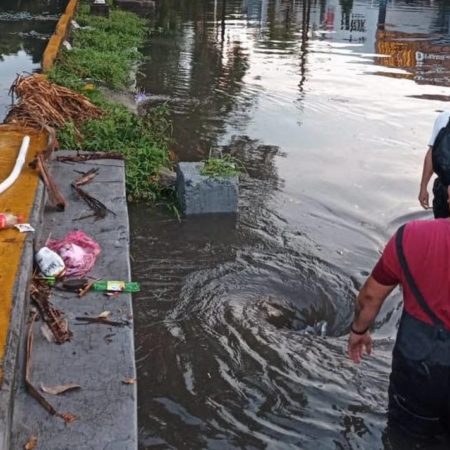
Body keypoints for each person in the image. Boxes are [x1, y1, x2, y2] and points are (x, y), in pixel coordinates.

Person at [347, 218, 450, 440]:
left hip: (419, 369)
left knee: (406, 438)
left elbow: (370, 295)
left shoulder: (411, 235)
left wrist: (359, 330)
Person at [419, 111, 450, 218]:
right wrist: (423, 187)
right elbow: (432, 154)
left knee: (441, 229)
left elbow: (432, 153)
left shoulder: (444, 117)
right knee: (441, 230)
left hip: (443, 188)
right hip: (443, 189)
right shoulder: (443, 118)